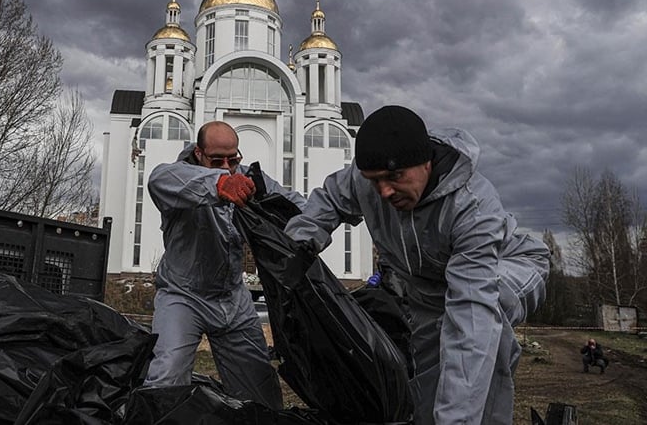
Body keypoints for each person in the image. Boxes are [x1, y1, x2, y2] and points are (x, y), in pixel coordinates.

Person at [284, 105, 550, 425]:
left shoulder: (472, 208)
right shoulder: (366, 181)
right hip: (429, 291)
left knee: (486, 333)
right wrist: (301, 243)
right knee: (427, 379)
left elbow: (471, 319)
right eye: (375, 180)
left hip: (507, 266)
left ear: (426, 162)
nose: (384, 191)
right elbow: (329, 199)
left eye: (395, 177)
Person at [144, 120, 305, 409]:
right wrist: (219, 184)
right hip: (183, 297)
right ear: (198, 153)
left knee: (261, 393)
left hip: (234, 299)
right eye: (217, 160)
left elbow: (291, 203)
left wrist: (320, 219)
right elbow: (159, 179)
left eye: (233, 159)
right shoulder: (179, 177)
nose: (226, 166)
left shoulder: (246, 178)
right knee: (166, 378)